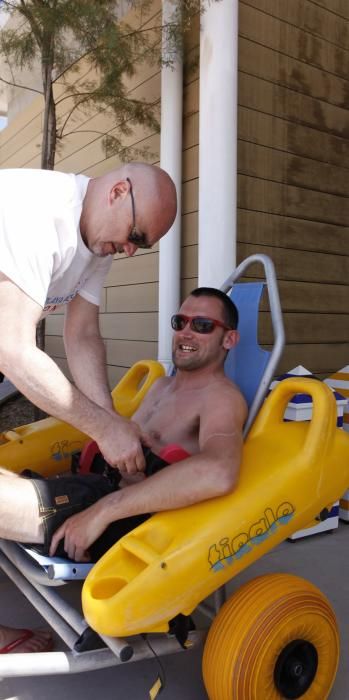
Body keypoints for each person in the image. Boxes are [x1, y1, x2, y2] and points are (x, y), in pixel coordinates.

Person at [0, 288, 247, 650]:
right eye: (180, 322)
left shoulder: (220, 397)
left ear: (229, 338)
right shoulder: (161, 384)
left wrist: (103, 511)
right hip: (87, 490)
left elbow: (220, 470)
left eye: (203, 325)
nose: (186, 332)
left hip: (117, 516)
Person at [0, 162, 177, 653]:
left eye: (142, 246)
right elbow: (13, 351)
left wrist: (111, 431)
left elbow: (81, 336)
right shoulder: (40, 214)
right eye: (135, 236)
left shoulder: (98, 240)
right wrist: (104, 426)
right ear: (119, 191)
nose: (129, 250)